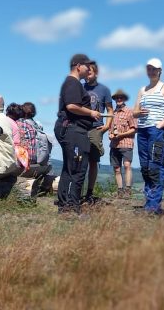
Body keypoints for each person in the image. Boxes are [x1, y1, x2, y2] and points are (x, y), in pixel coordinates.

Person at [54, 54, 102, 214]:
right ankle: (70, 207)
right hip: (74, 131)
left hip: (73, 130)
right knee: (77, 169)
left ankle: (65, 204)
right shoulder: (73, 83)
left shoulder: (73, 83)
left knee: (70, 168)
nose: (89, 69)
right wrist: (91, 113)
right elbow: (72, 106)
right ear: (78, 66)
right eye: (87, 66)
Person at [133, 58, 164, 215]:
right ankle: (149, 203)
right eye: (149, 69)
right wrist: (139, 113)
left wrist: (160, 125)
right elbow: (134, 112)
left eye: (154, 69)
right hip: (142, 130)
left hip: (156, 131)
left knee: (155, 167)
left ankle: (153, 207)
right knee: (145, 167)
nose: (151, 71)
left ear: (160, 71)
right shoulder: (142, 89)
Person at [83, 61, 113, 204]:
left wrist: (107, 126)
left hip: (96, 128)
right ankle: (78, 190)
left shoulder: (104, 90)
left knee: (93, 161)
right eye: (85, 71)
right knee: (79, 160)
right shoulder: (79, 88)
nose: (87, 74)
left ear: (96, 73)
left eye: (90, 72)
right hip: (81, 127)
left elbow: (110, 110)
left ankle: (89, 192)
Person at [109, 89, 137, 199]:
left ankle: (128, 190)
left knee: (127, 165)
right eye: (117, 98)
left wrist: (121, 134)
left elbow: (134, 129)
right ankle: (120, 191)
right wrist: (111, 135)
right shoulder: (113, 113)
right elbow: (110, 130)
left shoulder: (130, 112)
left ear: (124, 99)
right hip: (114, 144)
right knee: (116, 168)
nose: (119, 99)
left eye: (121, 97)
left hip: (126, 143)